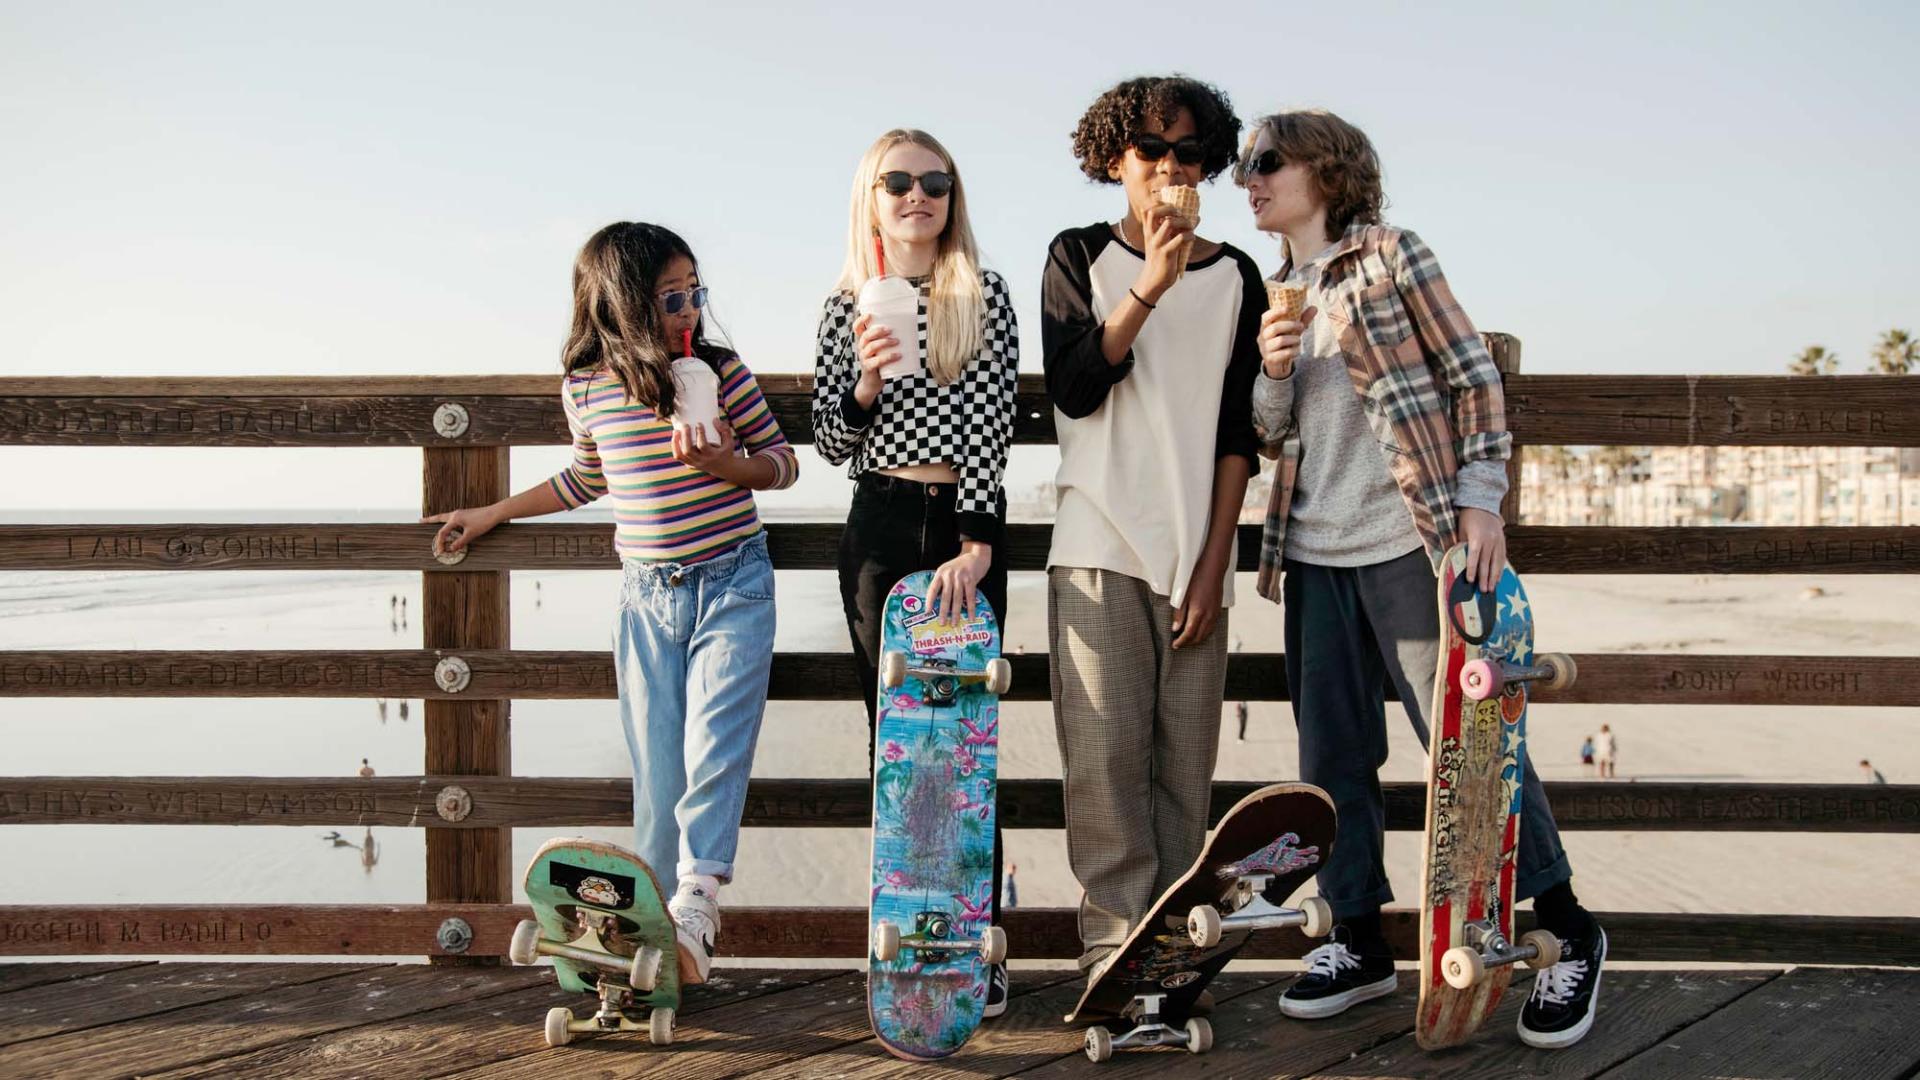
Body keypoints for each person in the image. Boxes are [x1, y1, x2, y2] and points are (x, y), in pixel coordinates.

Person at [1240, 108, 1604, 1048]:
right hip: (1313, 554)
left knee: (1469, 747)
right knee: (1333, 758)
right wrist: (1273, 371)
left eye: (1267, 162)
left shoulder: (1393, 256)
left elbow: (1473, 376)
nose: (1249, 178)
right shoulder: (1275, 289)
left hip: (1410, 543)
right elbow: (1271, 431)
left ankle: (1566, 930)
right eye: (1245, 165)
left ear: (1326, 169)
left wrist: (1483, 500)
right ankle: (1358, 938)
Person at [425, 222, 798, 985]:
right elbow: (586, 479)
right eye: (671, 297)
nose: (689, 308)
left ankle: (700, 902)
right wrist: (494, 512)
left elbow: (785, 465)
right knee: (658, 774)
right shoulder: (588, 388)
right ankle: (650, 923)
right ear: (621, 303)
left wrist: (727, 460)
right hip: (647, 600)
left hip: (734, 581)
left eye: (696, 292)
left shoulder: (721, 371)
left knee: (714, 746)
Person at [1042, 74, 1263, 984]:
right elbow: (1076, 388)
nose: (1169, 167)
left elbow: (1236, 435)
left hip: (1193, 557)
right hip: (1097, 544)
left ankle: (1170, 959)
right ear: (1114, 160)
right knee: (1102, 767)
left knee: (1184, 781)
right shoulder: (1078, 255)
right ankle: (1112, 956)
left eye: (1188, 153)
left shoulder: (1240, 277)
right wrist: (1150, 285)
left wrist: (1216, 562)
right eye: (1151, 151)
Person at [813, 127, 1020, 1017]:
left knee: (967, 742)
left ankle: (982, 945)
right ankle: (901, 939)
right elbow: (829, 441)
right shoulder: (845, 305)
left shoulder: (984, 295)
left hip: (962, 525)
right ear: (871, 195)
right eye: (897, 181)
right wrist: (862, 381)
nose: (917, 195)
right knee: (896, 742)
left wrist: (977, 540)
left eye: (934, 181)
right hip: (882, 520)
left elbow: (991, 427)